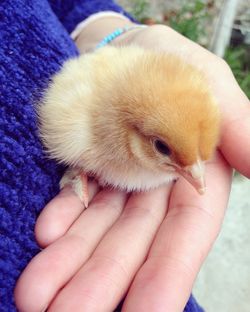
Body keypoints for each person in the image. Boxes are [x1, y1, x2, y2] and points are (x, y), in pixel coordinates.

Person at [1, 1, 249, 311]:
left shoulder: (161, 125)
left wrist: (107, 29)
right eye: (163, 148)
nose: (197, 175)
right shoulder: (80, 128)